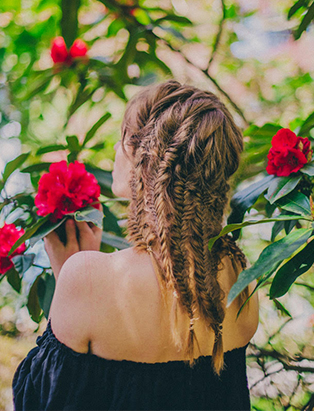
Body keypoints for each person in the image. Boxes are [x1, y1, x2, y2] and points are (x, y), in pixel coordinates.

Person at [13, 80, 259, 411]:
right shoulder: (241, 279)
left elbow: (36, 400)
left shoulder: (88, 278)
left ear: (143, 158)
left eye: (122, 139)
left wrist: (71, 278)